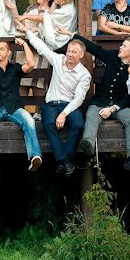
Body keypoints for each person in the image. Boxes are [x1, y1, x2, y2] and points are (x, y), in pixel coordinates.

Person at [63, 27, 130, 174]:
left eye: (124, 46)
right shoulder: (112, 57)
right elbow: (93, 48)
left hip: (120, 106)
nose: (120, 47)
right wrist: (72, 35)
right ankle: (88, 146)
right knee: (92, 115)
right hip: (100, 102)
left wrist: (113, 109)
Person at [22, 21, 90, 177]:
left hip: (70, 106)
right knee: (48, 123)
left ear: (81, 55)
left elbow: (78, 99)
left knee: (79, 124)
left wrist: (64, 114)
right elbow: (42, 48)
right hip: (51, 105)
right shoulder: (58, 60)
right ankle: (64, 160)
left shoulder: (84, 74)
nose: (69, 54)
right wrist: (28, 32)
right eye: (69, 50)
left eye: (74, 52)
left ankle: (64, 159)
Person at [0, 38, 41, 182]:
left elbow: (31, 64)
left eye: (1, 49)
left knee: (29, 120)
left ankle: (35, 156)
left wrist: (24, 44)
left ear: (9, 52)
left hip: (14, 107)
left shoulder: (15, 68)